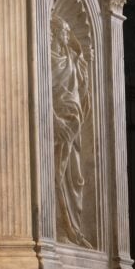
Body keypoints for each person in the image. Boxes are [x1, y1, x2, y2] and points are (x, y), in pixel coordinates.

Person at [51, 16, 92, 248]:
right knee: (57, 172)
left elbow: (81, 89)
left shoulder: (71, 59)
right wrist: (54, 119)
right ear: (56, 33)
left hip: (72, 122)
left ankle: (70, 228)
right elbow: (38, 92)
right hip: (57, 125)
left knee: (73, 176)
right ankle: (65, 228)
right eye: (64, 31)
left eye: (68, 31)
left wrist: (84, 60)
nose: (68, 34)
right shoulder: (47, 59)